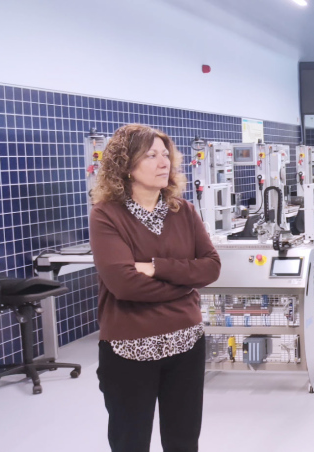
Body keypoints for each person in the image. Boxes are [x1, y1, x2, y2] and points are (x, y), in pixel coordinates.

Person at [90, 124, 221, 452]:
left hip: (186, 344)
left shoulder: (183, 211)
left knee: (183, 442)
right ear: (126, 165)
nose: (164, 163)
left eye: (166, 154)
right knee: (130, 442)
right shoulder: (106, 215)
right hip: (129, 349)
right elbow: (124, 285)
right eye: (151, 156)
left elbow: (211, 267)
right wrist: (185, 284)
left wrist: (157, 268)